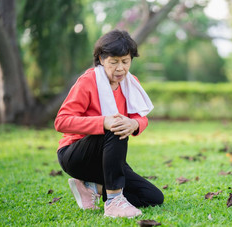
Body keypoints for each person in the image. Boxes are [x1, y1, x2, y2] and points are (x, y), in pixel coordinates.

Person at [54, 29, 164, 218]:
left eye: (125, 61)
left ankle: (92, 187)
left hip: (109, 158)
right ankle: (114, 202)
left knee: (153, 197)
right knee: (116, 125)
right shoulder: (88, 81)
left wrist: (135, 124)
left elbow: (141, 117)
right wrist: (103, 122)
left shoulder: (131, 83)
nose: (120, 68)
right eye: (114, 62)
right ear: (101, 59)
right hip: (75, 155)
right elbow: (61, 121)